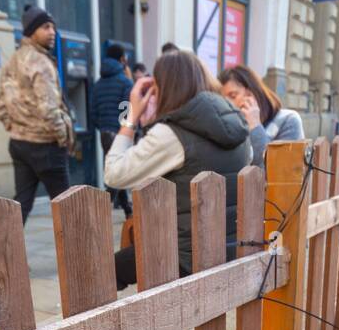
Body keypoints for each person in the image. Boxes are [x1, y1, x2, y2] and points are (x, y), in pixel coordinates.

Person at [103, 50, 250, 289]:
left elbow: (114, 174)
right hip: (231, 251)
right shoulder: (238, 124)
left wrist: (131, 116)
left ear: (165, 87)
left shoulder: (172, 135)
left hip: (187, 257)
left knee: (102, 271)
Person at [0, 4, 74, 224]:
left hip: (19, 143)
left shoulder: (12, 60)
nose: (52, 33)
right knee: (67, 208)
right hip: (46, 145)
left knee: (21, 204)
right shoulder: (41, 63)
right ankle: (76, 258)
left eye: (53, 27)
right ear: (31, 30)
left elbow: (0, 106)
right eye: (46, 27)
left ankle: (3, 254)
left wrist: (16, 127)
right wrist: (63, 139)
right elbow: (49, 109)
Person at [218, 63, 302, 166]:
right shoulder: (230, 129)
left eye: (233, 95)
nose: (227, 104)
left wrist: (254, 125)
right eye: (222, 99)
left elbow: (276, 170)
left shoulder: (288, 120)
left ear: (252, 94)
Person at [90, 43, 134, 217]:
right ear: (122, 59)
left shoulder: (98, 84)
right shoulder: (125, 81)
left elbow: (92, 111)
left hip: (104, 133)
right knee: (118, 172)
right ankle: (104, 206)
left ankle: (127, 210)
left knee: (116, 169)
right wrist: (126, 131)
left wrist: (102, 127)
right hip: (119, 133)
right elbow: (126, 109)